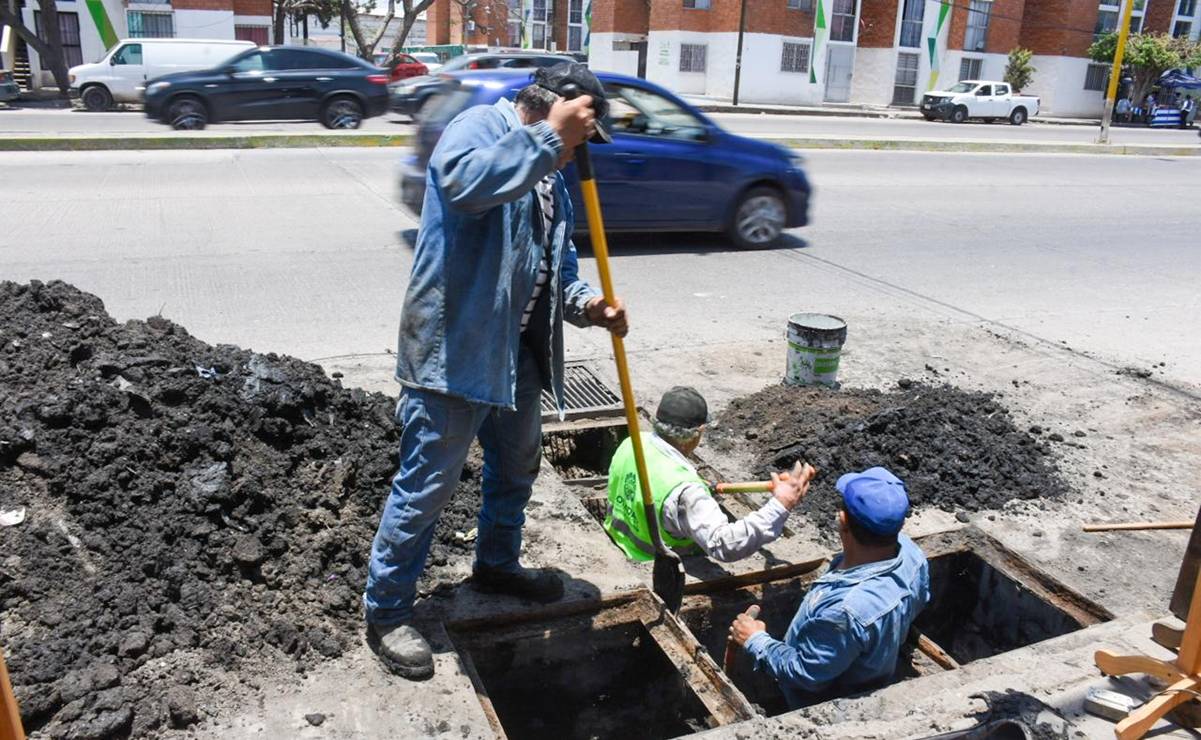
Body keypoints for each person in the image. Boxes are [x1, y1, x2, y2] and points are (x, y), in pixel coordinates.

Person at [364, 63, 628, 680]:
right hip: (454, 354)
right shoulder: (479, 128)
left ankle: (497, 565)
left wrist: (589, 304)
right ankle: (387, 611)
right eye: (581, 133)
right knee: (426, 488)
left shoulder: (553, 181)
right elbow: (461, 186)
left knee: (517, 468)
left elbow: (558, 271)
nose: (580, 150)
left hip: (516, 359)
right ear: (556, 112)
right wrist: (546, 139)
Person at [727, 467, 930, 709]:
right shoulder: (913, 555)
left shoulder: (844, 612)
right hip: (868, 665)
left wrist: (755, 639)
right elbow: (918, 601)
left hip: (824, 700)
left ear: (843, 520)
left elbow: (804, 673)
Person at [604, 387, 817, 563]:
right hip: (655, 567)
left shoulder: (632, 442)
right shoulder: (685, 492)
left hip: (620, 544)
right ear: (698, 432)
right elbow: (724, 545)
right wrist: (782, 503)